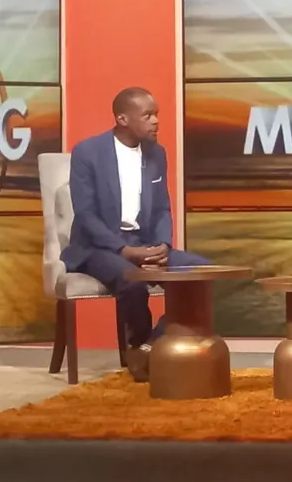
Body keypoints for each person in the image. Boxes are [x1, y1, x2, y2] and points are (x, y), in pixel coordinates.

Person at [61, 87, 212, 382]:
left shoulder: (156, 153)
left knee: (204, 273)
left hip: (144, 243)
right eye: (147, 115)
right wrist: (124, 251)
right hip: (98, 247)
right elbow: (86, 215)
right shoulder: (87, 152)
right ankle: (137, 344)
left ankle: (150, 346)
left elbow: (162, 208)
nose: (156, 121)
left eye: (157, 114)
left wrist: (163, 245)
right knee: (132, 283)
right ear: (122, 119)